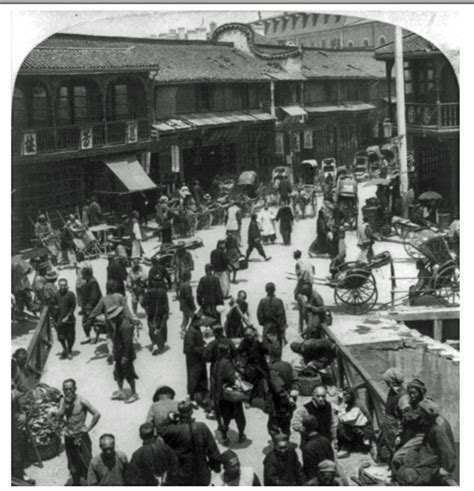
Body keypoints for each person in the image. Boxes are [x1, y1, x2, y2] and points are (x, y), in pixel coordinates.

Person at [395, 400, 456, 485]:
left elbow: (447, 451)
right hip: (426, 455)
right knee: (403, 465)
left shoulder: (438, 428)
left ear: (426, 414)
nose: (420, 415)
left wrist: (446, 468)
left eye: (421, 413)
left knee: (408, 475)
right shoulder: (431, 423)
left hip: (432, 462)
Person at [161, 401, 221, 486]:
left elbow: (162, 432)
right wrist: (215, 466)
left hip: (183, 475)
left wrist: (170, 420)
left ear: (179, 413)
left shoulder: (173, 431)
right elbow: (213, 450)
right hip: (202, 474)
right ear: (191, 412)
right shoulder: (201, 427)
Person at [56, 379, 101, 486]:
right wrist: (65, 406)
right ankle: (76, 483)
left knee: (87, 461)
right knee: (72, 463)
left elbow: (97, 414)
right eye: (65, 389)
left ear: (75, 389)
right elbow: (59, 416)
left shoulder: (82, 401)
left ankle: (91, 483)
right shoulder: (64, 401)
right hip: (69, 436)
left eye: (70, 389)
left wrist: (88, 428)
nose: (68, 392)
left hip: (81, 436)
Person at [213, 343, 247, 444]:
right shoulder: (227, 363)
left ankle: (224, 437)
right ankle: (241, 436)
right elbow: (232, 378)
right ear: (227, 352)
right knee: (239, 416)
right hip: (229, 395)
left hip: (219, 395)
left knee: (225, 418)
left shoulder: (216, 362)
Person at [392, 378, 428, 472]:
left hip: (421, 437)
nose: (412, 395)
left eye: (414, 393)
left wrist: (406, 411)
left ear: (421, 392)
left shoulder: (426, 405)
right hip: (409, 434)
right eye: (410, 393)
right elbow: (404, 421)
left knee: (397, 457)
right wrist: (398, 434)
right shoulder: (412, 403)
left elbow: (411, 417)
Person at [108, 305, 139, 403]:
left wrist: (125, 357)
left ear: (120, 315)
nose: (113, 319)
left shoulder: (125, 326)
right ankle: (121, 391)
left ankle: (134, 393)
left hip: (125, 355)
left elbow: (128, 343)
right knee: (118, 373)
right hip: (119, 353)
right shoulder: (119, 322)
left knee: (129, 374)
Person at [183, 314, 212, 414]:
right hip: (193, 360)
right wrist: (203, 348)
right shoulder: (190, 333)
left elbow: (199, 341)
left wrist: (204, 343)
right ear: (195, 321)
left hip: (200, 358)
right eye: (199, 321)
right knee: (193, 378)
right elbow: (188, 349)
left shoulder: (197, 329)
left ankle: (201, 395)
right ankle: (192, 398)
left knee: (201, 376)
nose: (201, 323)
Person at [267, 352, 299, 438]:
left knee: (273, 428)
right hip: (289, 403)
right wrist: (292, 396)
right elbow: (295, 380)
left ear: (270, 357)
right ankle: (286, 443)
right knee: (286, 425)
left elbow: (279, 389)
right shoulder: (288, 365)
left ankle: (279, 447)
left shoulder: (271, 369)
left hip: (278, 403)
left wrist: (286, 399)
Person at [337, 388, 373, 456]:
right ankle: (350, 444)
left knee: (341, 426)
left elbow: (345, 419)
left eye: (345, 397)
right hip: (359, 425)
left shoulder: (356, 406)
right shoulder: (353, 402)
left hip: (365, 429)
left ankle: (346, 447)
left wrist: (341, 411)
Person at [141, 273, 170, 355]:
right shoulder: (163, 292)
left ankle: (154, 343)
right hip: (160, 315)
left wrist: (148, 310)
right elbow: (166, 306)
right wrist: (166, 315)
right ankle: (158, 344)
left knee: (152, 330)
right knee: (160, 329)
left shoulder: (149, 292)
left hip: (152, 315)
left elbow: (143, 304)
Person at [301, 414, 335, 481]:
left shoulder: (308, 447)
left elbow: (310, 470)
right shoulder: (326, 440)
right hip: (330, 476)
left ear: (304, 428)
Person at [51, 278, 76, 359]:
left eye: (64, 285)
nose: (63, 287)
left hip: (69, 319)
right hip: (59, 319)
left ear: (67, 285)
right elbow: (51, 304)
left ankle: (69, 350)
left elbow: (73, 306)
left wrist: (68, 316)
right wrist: (55, 307)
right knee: (60, 337)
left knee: (70, 337)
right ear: (59, 286)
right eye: (61, 285)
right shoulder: (56, 295)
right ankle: (64, 349)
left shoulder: (71, 294)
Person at [257, 282, 287, 347]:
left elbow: (259, 315)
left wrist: (263, 323)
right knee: (276, 349)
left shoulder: (262, 301)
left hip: (266, 327)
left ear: (266, 290)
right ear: (274, 290)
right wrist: (283, 330)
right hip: (276, 329)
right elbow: (282, 317)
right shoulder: (279, 301)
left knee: (266, 348)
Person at [80, 266, 103, 344]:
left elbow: (94, 296)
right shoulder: (89, 281)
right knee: (89, 321)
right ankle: (90, 336)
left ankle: (88, 337)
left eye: (83, 274)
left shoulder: (92, 282)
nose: (82, 276)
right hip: (89, 306)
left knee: (86, 321)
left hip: (93, 307)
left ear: (87, 274)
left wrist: (89, 307)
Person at [178, 270, 196, 338]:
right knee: (194, 318)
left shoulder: (182, 284)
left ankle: (183, 331)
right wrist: (193, 306)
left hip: (183, 304)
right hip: (187, 305)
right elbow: (189, 298)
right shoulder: (187, 286)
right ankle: (193, 332)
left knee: (186, 318)